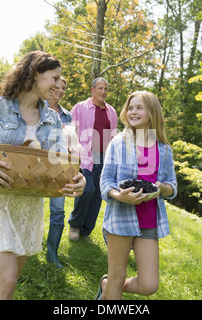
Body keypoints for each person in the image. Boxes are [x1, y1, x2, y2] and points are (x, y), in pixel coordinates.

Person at [0, 51, 85, 300]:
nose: (59, 84)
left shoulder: (53, 118)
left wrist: (78, 179)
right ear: (36, 74)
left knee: (5, 280)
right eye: (54, 77)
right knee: (8, 281)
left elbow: (60, 163)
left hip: (29, 208)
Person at [95, 91, 177, 300]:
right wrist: (119, 195)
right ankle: (110, 286)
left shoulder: (164, 150)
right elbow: (106, 182)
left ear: (152, 112)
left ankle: (107, 287)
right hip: (121, 218)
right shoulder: (118, 143)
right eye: (130, 107)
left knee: (149, 284)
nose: (133, 111)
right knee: (117, 275)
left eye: (139, 107)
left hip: (148, 221)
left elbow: (172, 186)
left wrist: (162, 188)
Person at [68, 77, 117, 241]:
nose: (103, 92)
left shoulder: (111, 111)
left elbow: (113, 136)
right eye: (100, 88)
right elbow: (71, 131)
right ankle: (75, 225)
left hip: (104, 157)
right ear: (92, 89)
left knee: (97, 194)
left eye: (105, 89)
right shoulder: (80, 107)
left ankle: (86, 231)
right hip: (84, 155)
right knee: (86, 190)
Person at [44, 76, 72, 268]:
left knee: (58, 210)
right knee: (31, 207)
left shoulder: (67, 116)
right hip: (35, 165)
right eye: (57, 87)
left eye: (63, 88)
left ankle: (51, 253)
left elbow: (70, 141)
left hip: (59, 167)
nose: (60, 91)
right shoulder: (36, 107)